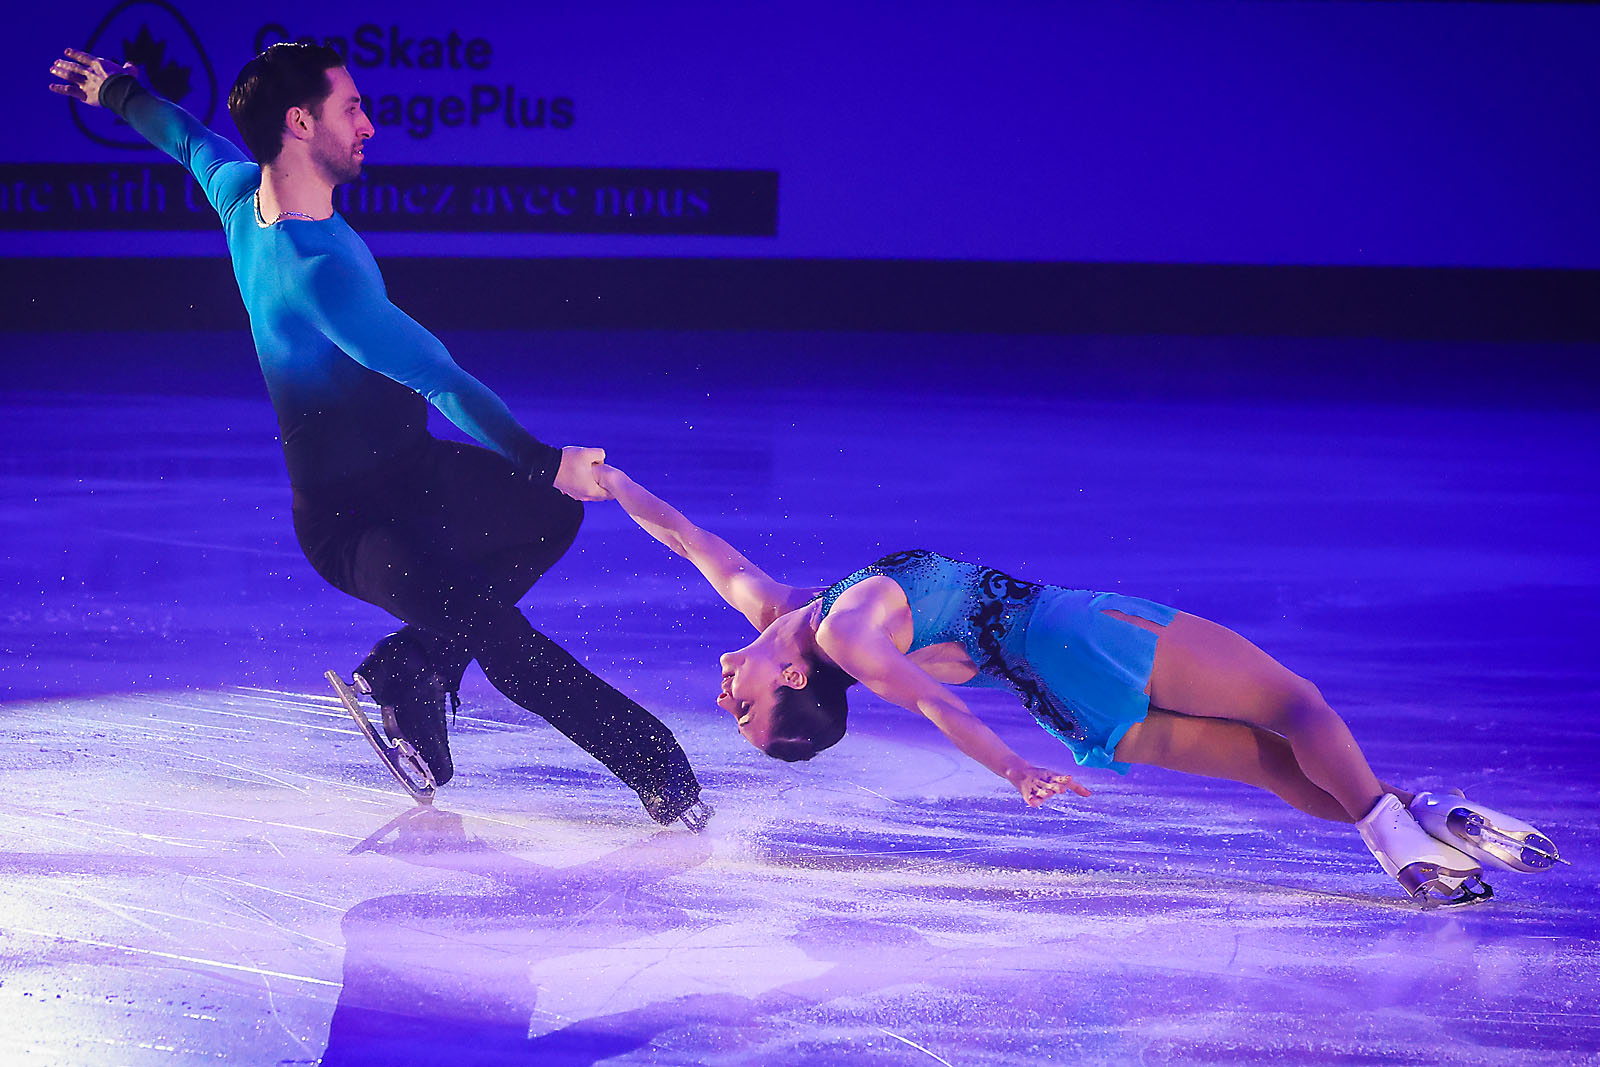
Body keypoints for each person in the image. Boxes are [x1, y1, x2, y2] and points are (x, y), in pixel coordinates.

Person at [46, 44, 710, 829]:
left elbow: (187, 137)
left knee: (548, 516)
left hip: (415, 471)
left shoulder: (238, 193)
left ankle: (413, 663)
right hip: (355, 523)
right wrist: (541, 458)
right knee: (498, 633)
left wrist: (118, 91)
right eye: (351, 108)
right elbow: (441, 378)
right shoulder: (314, 272)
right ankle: (660, 767)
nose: (369, 124)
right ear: (300, 123)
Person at [587, 462, 1562, 905]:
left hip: (1064, 705)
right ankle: (1404, 830)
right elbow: (935, 702)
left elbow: (689, 540)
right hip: (1070, 632)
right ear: (797, 674)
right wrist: (1012, 771)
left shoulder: (782, 611)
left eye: (736, 709)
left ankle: (1412, 824)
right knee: (1293, 704)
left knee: (1273, 766)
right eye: (747, 709)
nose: (725, 697)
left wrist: (612, 482)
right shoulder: (846, 630)